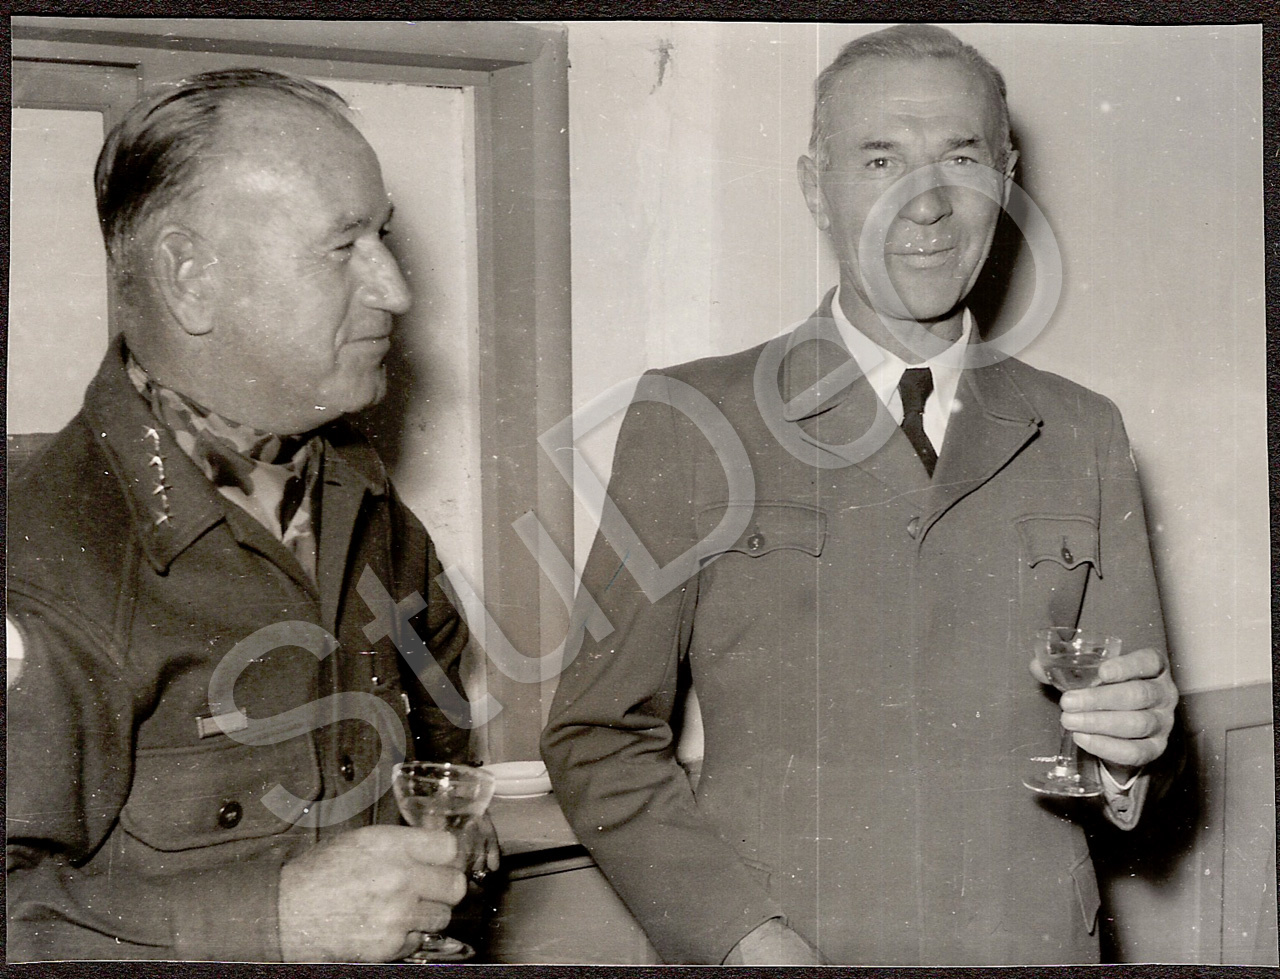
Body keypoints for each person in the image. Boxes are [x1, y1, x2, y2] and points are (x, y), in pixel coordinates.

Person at [541, 25, 1180, 966]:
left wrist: (1134, 757)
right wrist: (743, 938)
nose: (926, 202)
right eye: (881, 159)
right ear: (816, 188)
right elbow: (597, 735)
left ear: (1005, 180)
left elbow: (1135, 740)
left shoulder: (1085, 429)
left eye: (961, 157)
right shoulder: (693, 417)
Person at [6, 68, 497, 962]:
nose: (395, 289)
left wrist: (444, 830)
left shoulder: (356, 490)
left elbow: (438, 693)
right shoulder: (44, 554)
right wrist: (273, 920)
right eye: (343, 246)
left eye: (382, 236)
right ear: (191, 277)